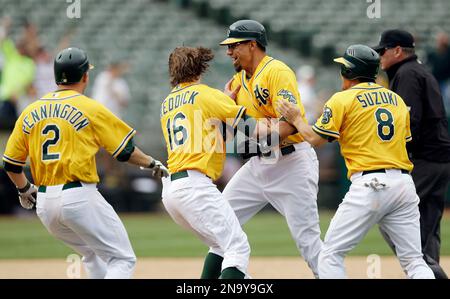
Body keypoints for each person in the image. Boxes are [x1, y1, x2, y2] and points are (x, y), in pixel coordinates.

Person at [2, 47, 169, 279]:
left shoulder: (31, 110)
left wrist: (24, 188)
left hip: (44, 205)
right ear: (85, 76)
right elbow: (124, 151)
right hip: (78, 196)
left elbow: (10, 163)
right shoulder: (90, 107)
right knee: (122, 259)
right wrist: (151, 163)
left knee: (91, 253)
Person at [276, 44, 434, 279]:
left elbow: (314, 139)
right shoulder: (396, 99)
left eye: (343, 68)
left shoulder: (342, 99)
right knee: (413, 260)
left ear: (349, 72)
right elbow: (407, 142)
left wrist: (297, 118)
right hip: (403, 184)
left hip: (370, 184)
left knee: (330, 255)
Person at [218, 19, 323, 277]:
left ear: (252, 44)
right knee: (220, 221)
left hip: (292, 164)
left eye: (234, 46)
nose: (229, 52)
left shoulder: (277, 72)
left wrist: (258, 132)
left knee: (309, 244)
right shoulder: (236, 82)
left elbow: (291, 125)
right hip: (257, 165)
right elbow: (230, 131)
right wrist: (225, 110)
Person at [160, 46, 268, 279]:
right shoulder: (206, 94)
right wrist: (291, 124)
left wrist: (222, 107)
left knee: (222, 246)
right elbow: (251, 129)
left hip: (172, 189)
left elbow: (216, 139)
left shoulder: (167, 103)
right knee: (237, 247)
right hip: (195, 185)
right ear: (200, 68)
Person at [373, 29, 450, 279]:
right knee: (427, 226)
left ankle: (429, 273)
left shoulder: (407, 74)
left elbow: (408, 122)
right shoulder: (416, 70)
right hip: (438, 159)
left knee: (391, 213)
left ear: (397, 51)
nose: (380, 56)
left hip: (425, 160)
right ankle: (428, 272)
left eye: (383, 50)